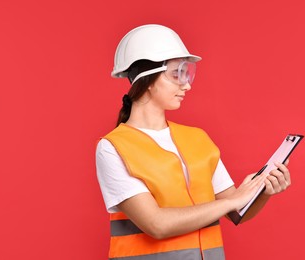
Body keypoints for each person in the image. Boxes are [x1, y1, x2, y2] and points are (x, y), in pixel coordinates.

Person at [96, 24, 291, 260]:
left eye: (187, 73)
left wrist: (262, 190)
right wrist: (235, 199)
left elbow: (237, 212)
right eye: (176, 74)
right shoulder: (113, 147)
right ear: (147, 79)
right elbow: (156, 224)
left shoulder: (197, 139)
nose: (186, 84)